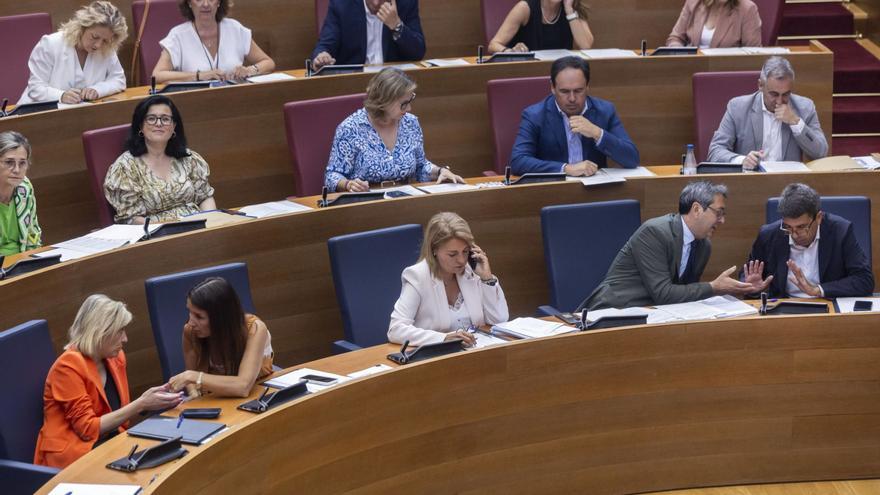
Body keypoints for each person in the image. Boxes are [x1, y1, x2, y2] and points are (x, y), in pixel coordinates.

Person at [34, 295, 184, 468]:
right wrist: (141, 404)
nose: (125, 339)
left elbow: (121, 419)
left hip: (109, 445)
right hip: (73, 459)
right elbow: (88, 430)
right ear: (99, 332)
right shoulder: (67, 366)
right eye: (120, 331)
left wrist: (152, 402)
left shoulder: (115, 358)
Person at [579, 181, 773, 311]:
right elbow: (664, 293)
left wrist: (741, 288)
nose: (722, 221)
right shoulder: (654, 232)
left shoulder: (704, 246)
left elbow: (685, 294)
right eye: (719, 213)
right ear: (697, 209)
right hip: (614, 311)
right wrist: (714, 287)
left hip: (654, 315)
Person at [324, 68, 463, 192]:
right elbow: (331, 176)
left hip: (405, 198)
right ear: (384, 101)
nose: (409, 109)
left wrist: (440, 171)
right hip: (366, 201)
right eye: (404, 104)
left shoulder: (410, 122)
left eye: (410, 102)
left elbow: (420, 167)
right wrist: (348, 184)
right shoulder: (350, 128)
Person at [389, 212, 509, 347]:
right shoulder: (418, 276)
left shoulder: (472, 271)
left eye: (465, 251)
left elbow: (499, 319)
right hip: (438, 358)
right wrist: (444, 338)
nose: (462, 260)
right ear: (434, 250)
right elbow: (396, 329)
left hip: (476, 352)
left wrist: (487, 279)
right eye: (453, 254)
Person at [510, 56, 639, 176]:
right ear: (552, 88)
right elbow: (518, 161)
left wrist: (597, 133)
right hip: (555, 191)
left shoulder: (605, 111)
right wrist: (566, 168)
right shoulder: (535, 116)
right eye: (564, 91)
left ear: (587, 87)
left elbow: (632, 159)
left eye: (578, 91)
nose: (572, 98)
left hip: (595, 191)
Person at [743, 183, 874, 298]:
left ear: (818, 218)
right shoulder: (769, 234)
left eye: (801, 227)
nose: (794, 235)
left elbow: (864, 280)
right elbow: (749, 276)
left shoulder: (840, 231)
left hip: (827, 305)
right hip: (784, 308)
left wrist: (818, 290)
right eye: (788, 227)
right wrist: (752, 289)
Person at [104, 94, 216, 224]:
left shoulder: (189, 159)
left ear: (174, 126)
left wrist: (211, 222)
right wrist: (175, 227)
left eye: (165, 119)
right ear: (140, 126)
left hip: (197, 228)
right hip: (155, 235)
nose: (158, 123)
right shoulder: (125, 167)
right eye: (151, 119)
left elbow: (205, 197)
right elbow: (131, 219)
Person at [707, 56, 828, 169]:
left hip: (789, 184)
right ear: (760, 85)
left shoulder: (805, 107)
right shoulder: (738, 108)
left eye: (786, 94)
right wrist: (742, 160)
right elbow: (715, 151)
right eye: (774, 94)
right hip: (751, 182)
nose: (779, 101)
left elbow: (820, 153)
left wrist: (796, 123)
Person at [167, 277, 274, 398]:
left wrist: (193, 376)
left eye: (199, 316)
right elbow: (192, 384)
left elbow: (242, 387)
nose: (191, 322)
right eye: (190, 312)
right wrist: (194, 395)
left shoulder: (255, 329)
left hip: (258, 392)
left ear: (221, 318)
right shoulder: (190, 332)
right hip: (216, 398)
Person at [19, 1, 128, 105]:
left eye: (105, 40)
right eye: (94, 37)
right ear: (82, 27)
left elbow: (119, 79)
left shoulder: (107, 47)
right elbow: (35, 88)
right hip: (36, 114)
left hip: (79, 114)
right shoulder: (50, 44)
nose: (98, 45)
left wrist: (97, 90)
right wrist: (61, 96)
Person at [152, 0, 275, 83]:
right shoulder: (178, 36)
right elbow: (157, 75)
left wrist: (249, 70)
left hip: (236, 101)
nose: (205, 4)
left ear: (219, 2)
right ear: (189, 3)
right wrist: (198, 76)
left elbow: (268, 62)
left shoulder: (235, 29)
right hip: (194, 105)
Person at [311, 0, 426, 71]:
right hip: (354, 82)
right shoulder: (342, 4)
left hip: (392, 84)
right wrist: (322, 56)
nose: (376, 3)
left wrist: (397, 26)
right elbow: (325, 45)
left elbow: (418, 53)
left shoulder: (405, 3)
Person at [488, 0, 594, 54]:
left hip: (561, 72)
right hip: (528, 71)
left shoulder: (572, 8)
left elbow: (585, 46)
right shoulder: (525, 8)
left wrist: (569, 10)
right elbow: (494, 45)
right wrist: (512, 52)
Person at [0, 132, 41, 255]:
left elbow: (33, 233)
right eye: (9, 162)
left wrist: (34, 263)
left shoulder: (25, 187)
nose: (17, 170)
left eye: (22, 163)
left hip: (21, 262)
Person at [666, 0, 762, 49]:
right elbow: (675, 38)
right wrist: (680, 53)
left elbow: (753, 54)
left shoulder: (747, 9)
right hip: (691, 68)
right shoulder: (694, 3)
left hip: (726, 73)